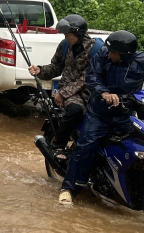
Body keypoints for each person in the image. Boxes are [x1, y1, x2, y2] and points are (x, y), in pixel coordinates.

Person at [59, 30, 144, 205]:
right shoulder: (102, 55)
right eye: (109, 51)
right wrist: (104, 92)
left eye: (113, 52)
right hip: (100, 112)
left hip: (126, 113)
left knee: (140, 148)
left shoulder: (143, 60)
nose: (109, 54)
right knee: (86, 145)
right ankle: (68, 188)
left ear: (125, 54)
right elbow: (92, 77)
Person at [28, 14, 94, 160]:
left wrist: (63, 93)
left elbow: (88, 77)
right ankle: (58, 146)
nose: (65, 37)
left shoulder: (95, 49)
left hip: (90, 92)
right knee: (75, 111)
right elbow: (56, 67)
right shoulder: (65, 45)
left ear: (78, 34)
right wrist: (40, 70)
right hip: (71, 95)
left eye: (68, 34)